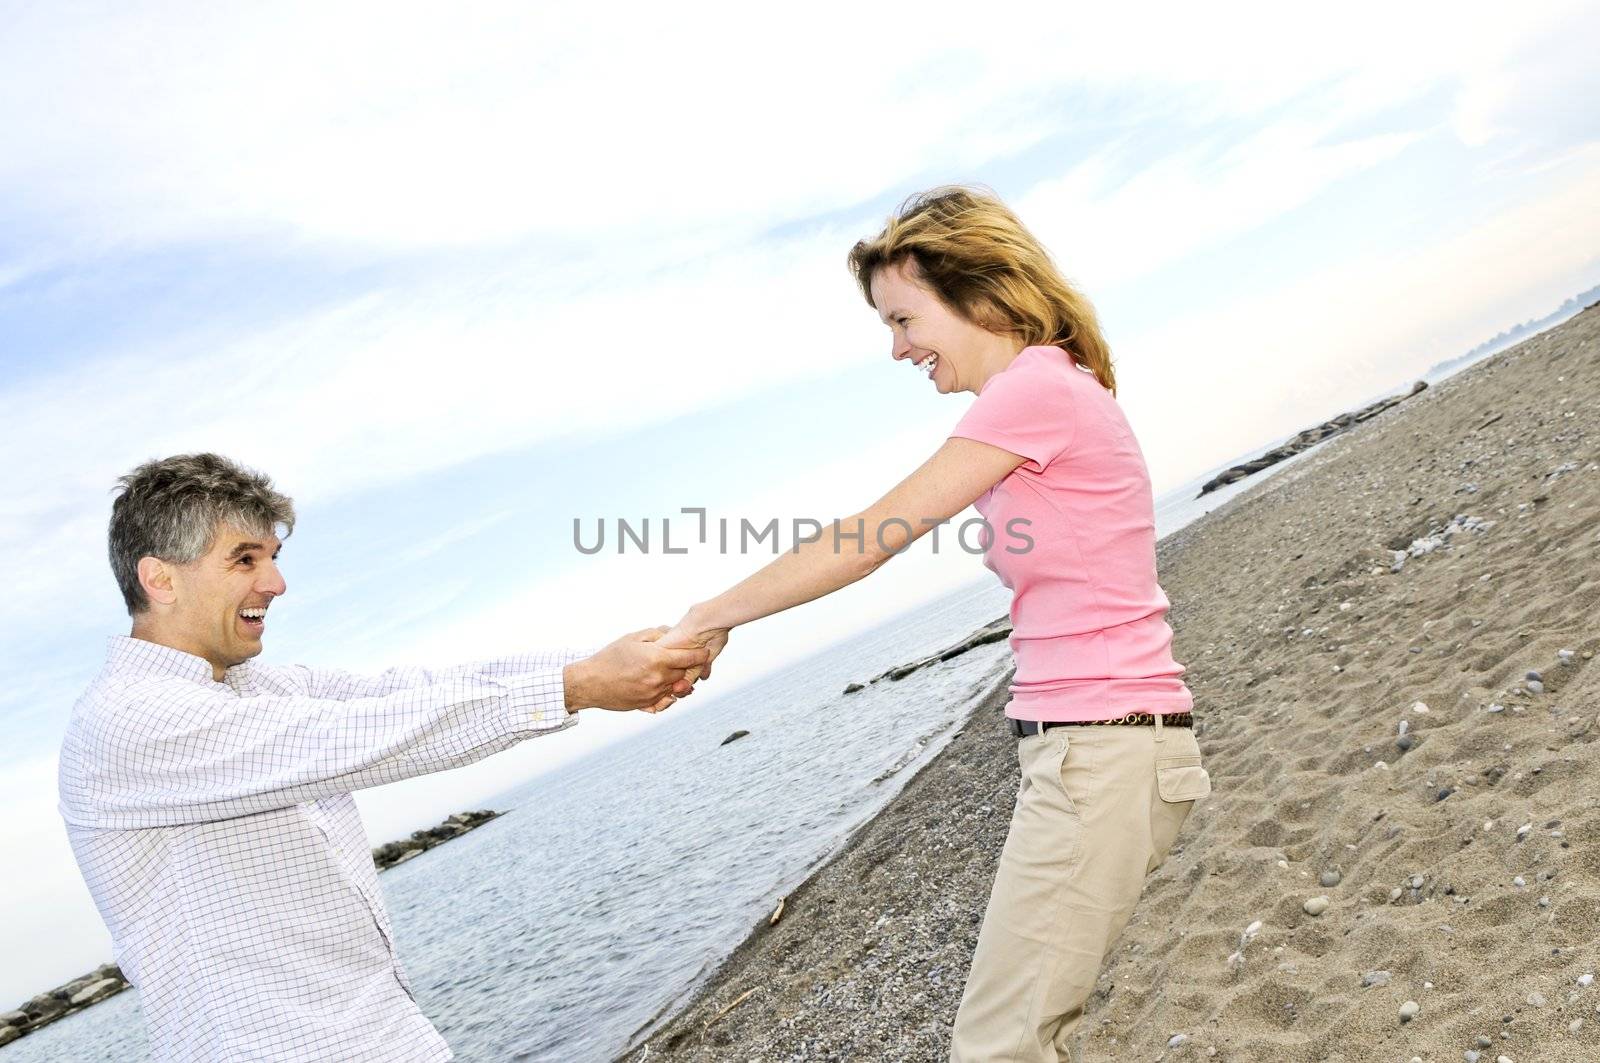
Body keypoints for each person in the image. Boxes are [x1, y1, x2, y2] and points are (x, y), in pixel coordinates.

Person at [661, 186, 1212, 1062]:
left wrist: (709, 615)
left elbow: (869, 538)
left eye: (905, 318)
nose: (896, 348)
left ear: (982, 296)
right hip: (1093, 751)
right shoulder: (1045, 392)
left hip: (1101, 753)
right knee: (1020, 1039)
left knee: (1000, 1048)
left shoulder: (1034, 388)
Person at [58, 452, 709, 1062]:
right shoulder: (126, 721)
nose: (277, 582)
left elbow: (412, 691)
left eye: (274, 556)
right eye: (244, 559)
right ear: (160, 578)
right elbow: (364, 736)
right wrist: (581, 685)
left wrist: (604, 663)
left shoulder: (261, 689)